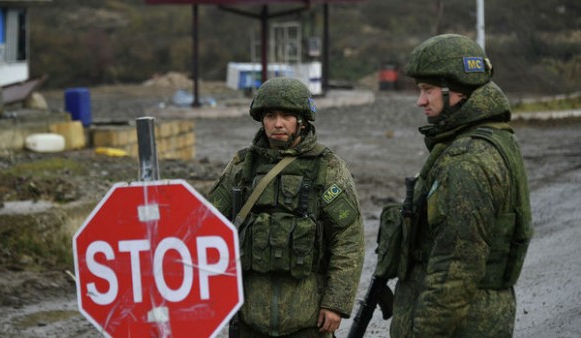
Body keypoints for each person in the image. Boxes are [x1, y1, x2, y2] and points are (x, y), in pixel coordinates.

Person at [389, 34, 533, 337]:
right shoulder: (491, 138)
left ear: (455, 92)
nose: (420, 101)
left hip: (462, 325)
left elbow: (454, 272)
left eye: (428, 90)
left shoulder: (466, 161)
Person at [208, 77, 365, 337]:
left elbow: (349, 238)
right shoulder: (242, 167)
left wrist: (336, 304)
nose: (278, 123)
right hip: (249, 318)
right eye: (270, 115)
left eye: (287, 116)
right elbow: (208, 223)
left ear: (302, 121)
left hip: (307, 320)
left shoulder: (327, 168)